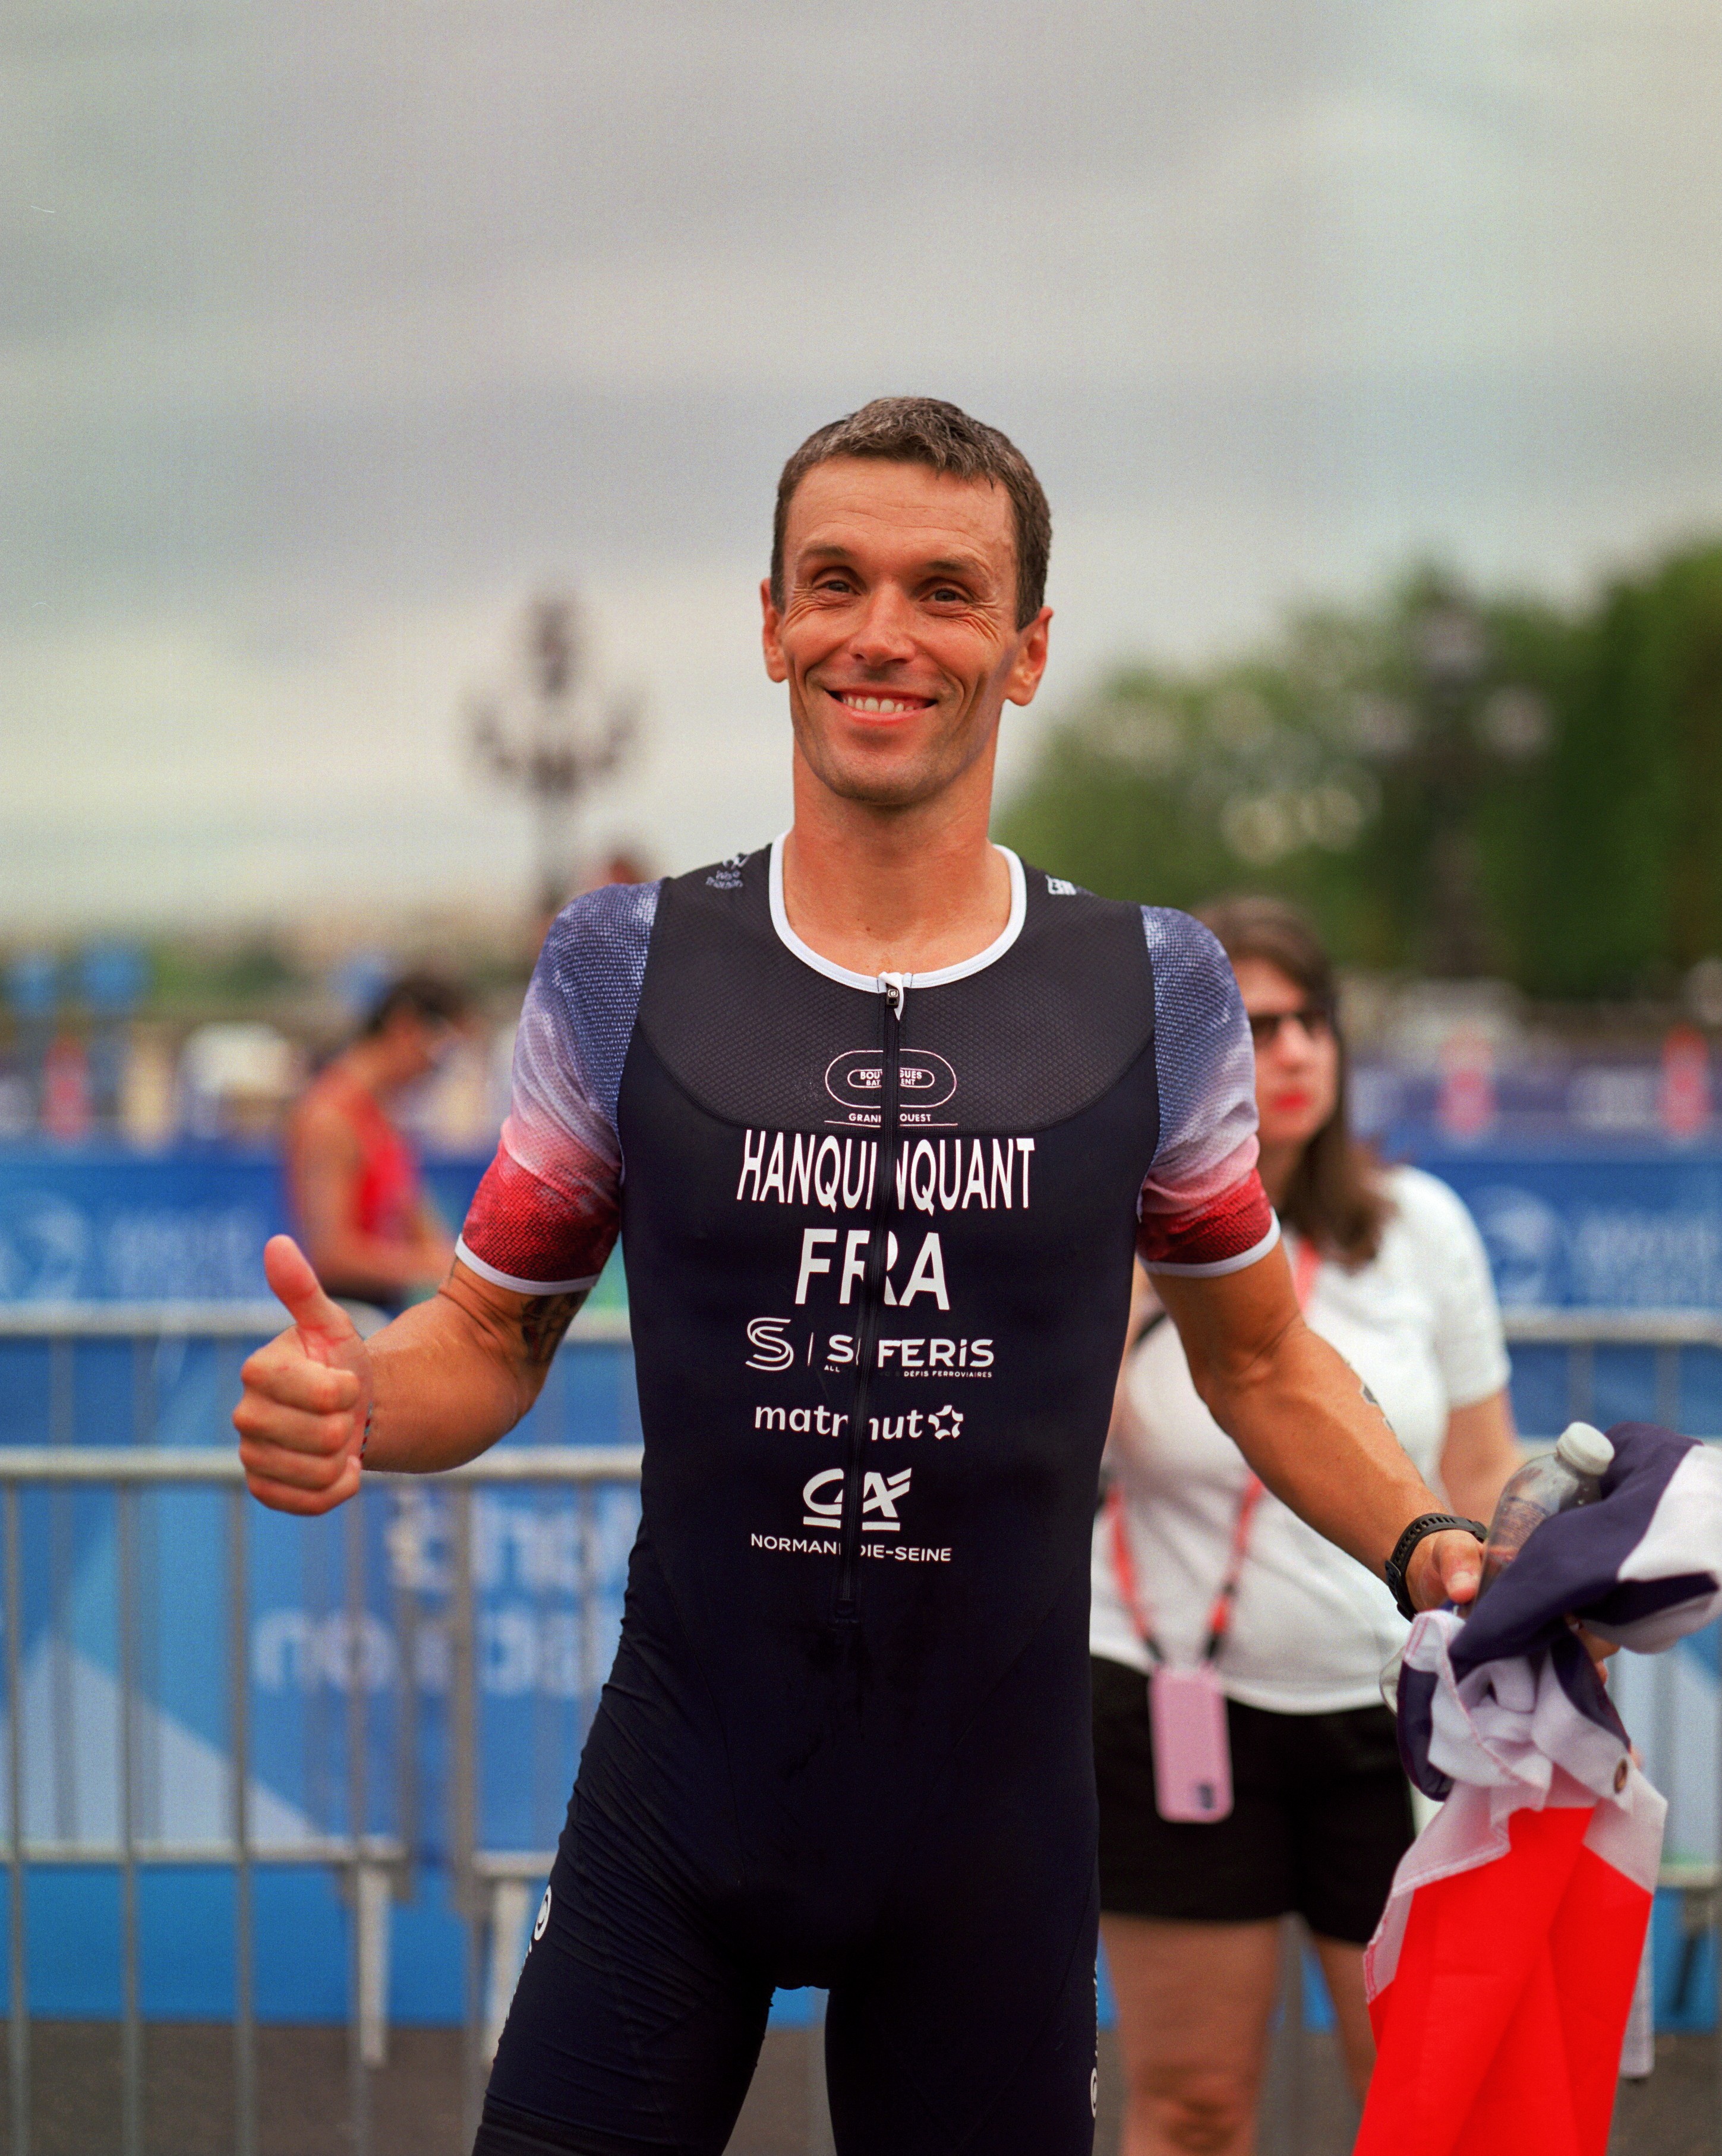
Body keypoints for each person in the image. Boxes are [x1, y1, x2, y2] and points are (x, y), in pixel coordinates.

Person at [233, 398, 1490, 2156]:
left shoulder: (1157, 988)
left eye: (944, 591)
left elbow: (1264, 1361)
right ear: (772, 624)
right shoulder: (623, 963)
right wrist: (361, 1395)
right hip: (680, 1800)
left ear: (1027, 648)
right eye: (835, 582)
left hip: (991, 1841)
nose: (880, 632)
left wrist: (1431, 1548)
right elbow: (494, 1334)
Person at [1092, 896, 1521, 2156]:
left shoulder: (1419, 1224)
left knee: (1430, 2102)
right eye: (1251, 1025)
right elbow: (1056, 1443)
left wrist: (1516, 1598)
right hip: (1165, 1703)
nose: (1288, 1051)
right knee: (1193, 2103)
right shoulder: (1116, 1225)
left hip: (1394, 1715)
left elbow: (1480, 1460)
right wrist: (1141, 1259)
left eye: (1310, 1020)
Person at [283, 972, 465, 1319]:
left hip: (382, 1318)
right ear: (405, 1027)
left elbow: (422, 1226)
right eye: (441, 1053)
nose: (436, 1071)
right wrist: (430, 1267)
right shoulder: (329, 1117)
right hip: (348, 1324)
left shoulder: (384, 1117)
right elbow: (332, 1255)